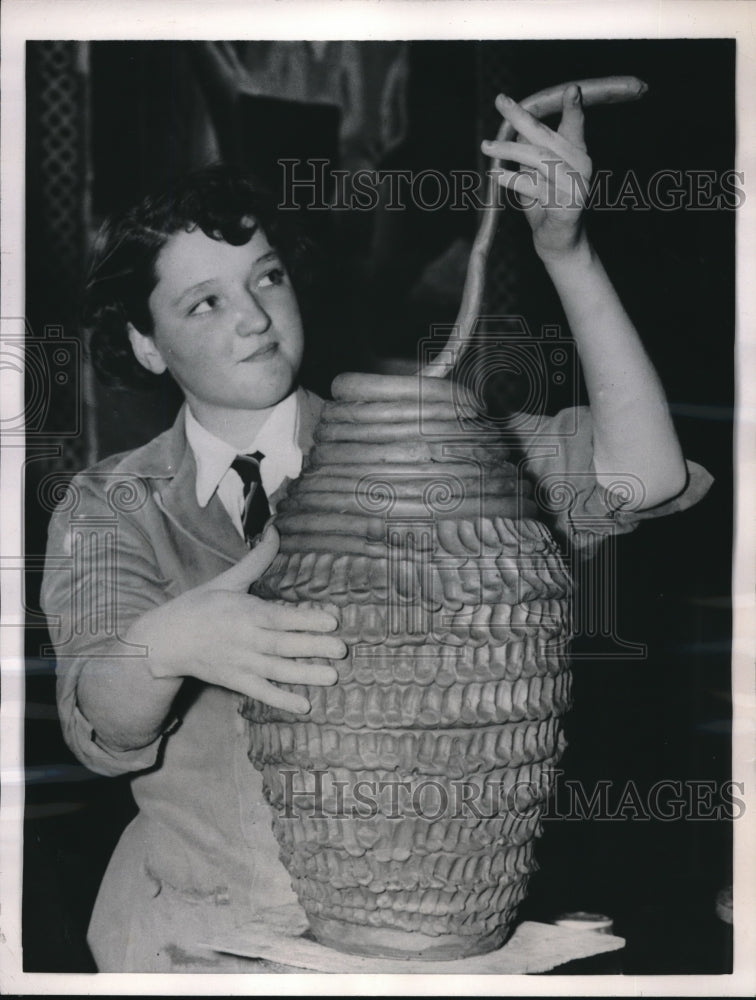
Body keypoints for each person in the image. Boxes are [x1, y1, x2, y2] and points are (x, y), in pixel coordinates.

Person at [41, 87, 711, 972]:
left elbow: (646, 474)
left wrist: (569, 251)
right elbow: (103, 722)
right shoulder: (109, 503)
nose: (252, 316)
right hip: (190, 946)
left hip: (417, 946)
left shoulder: (429, 453)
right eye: (203, 303)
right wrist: (168, 646)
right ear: (145, 345)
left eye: (267, 277)